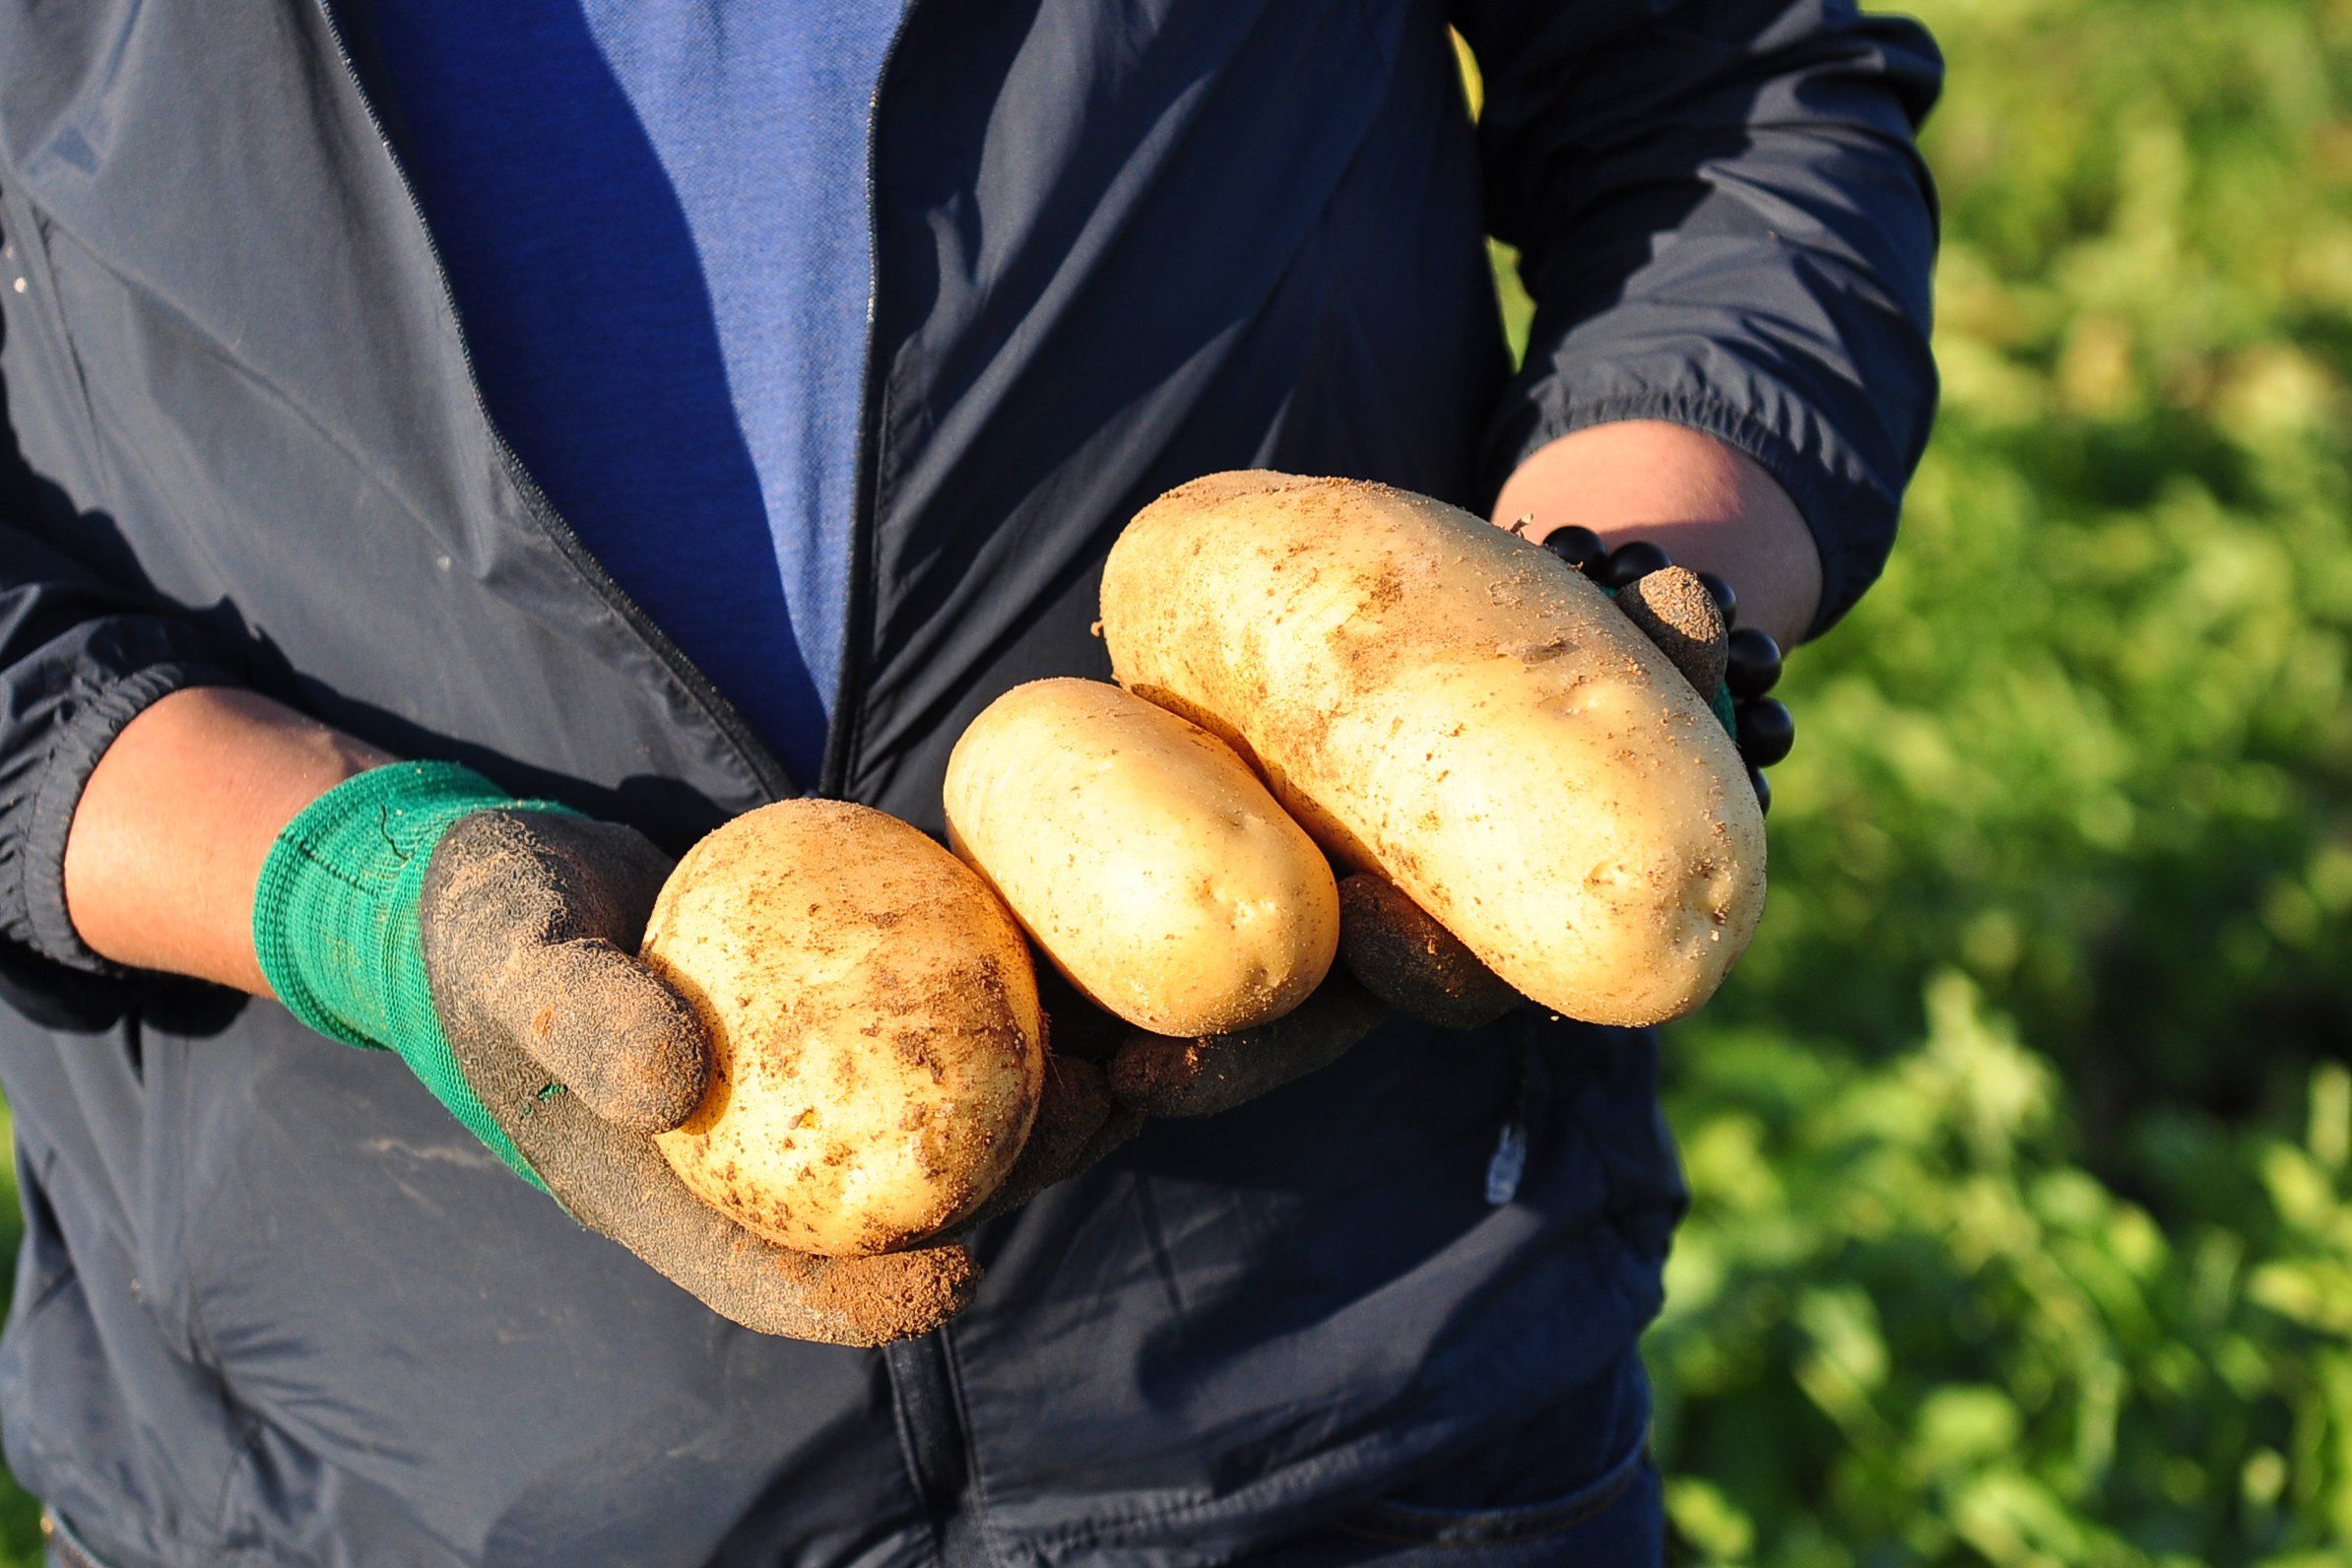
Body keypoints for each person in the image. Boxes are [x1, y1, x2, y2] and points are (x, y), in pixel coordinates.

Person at [0, 0, 1940, 1560]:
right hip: (353, 1476)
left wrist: (1587, 629)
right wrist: (337, 882)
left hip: (1365, 1388)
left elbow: (1725, 84)